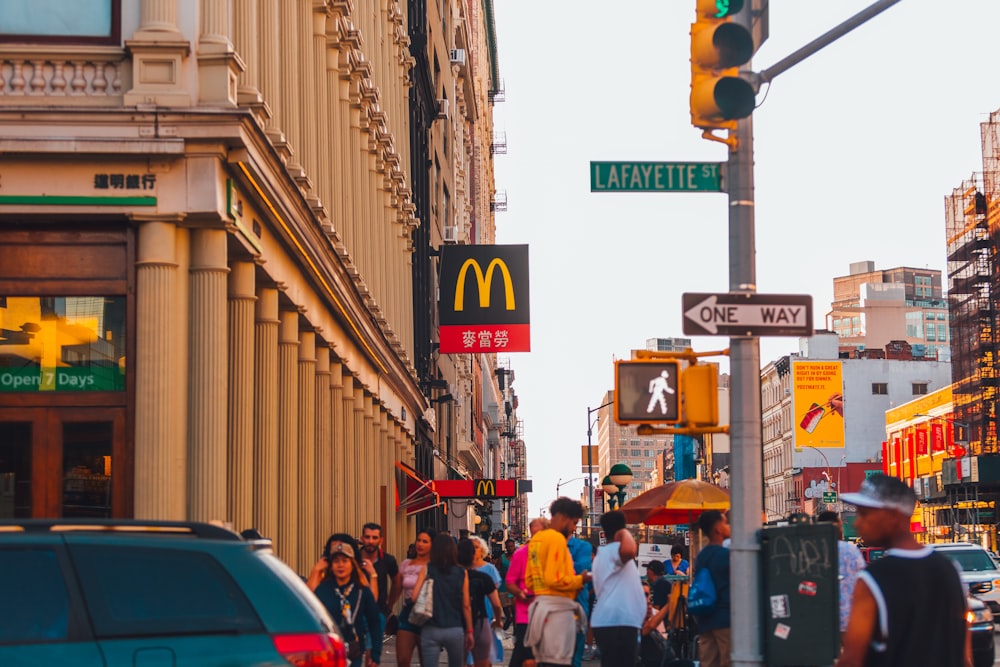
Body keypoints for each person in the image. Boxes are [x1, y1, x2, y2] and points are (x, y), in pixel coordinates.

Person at [835, 475, 970, 667]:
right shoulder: (951, 571)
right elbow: (964, 657)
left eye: (865, 514)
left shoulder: (873, 580)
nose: (857, 523)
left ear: (893, 516)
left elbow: (851, 661)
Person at [524, 497, 592, 667]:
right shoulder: (557, 540)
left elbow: (530, 581)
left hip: (540, 609)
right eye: (574, 522)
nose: (574, 528)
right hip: (558, 614)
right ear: (564, 517)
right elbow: (554, 579)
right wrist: (580, 580)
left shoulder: (536, 540)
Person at [307, 536, 383, 667]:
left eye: (345, 561)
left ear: (352, 563)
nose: (340, 565)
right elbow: (309, 607)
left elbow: (374, 620)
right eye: (336, 561)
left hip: (352, 650)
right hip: (328, 651)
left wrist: (375, 653)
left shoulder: (360, 590)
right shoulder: (323, 589)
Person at [590, 510, 645, 667]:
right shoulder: (614, 550)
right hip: (619, 622)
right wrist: (623, 532)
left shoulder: (603, 554)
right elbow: (629, 550)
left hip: (609, 622)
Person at [411, 533, 473, 667]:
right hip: (455, 628)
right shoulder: (462, 572)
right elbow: (466, 605)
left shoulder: (427, 569)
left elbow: (414, 596)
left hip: (430, 627)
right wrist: (469, 631)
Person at [505, 517, 548, 667]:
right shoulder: (521, 553)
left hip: (548, 615)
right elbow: (510, 582)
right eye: (534, 533)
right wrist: (519, 592)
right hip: (526, 616)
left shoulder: (554, 553)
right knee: (525, 656)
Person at [816, 510, 866, 635]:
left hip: (820, 621)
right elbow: (864, 582)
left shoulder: (812, 550)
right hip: (848, 620)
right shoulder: (851, 551)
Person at [693, 510, 731, 667]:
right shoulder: (725, 555)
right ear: (718, 529)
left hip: (705, 619)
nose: (729, 526)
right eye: (725, 523)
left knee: (708, 662)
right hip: (725, 617)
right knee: (728, 661)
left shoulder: (701, 556)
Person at [458, 538, 503, 667]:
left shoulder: (454, 574)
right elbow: (496, 603)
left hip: (474, 616)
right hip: (478, 620)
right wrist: (499, 619)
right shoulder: (482, 578)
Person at [396, 528, 434, 667]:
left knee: (427, 662)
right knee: (403, 659)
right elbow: (397, 589)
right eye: (419, 540)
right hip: (408, 613)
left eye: (425, 541)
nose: (420, 544)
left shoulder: (435, 566)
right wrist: (388, 607)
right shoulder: (406, 564)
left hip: (429, 615)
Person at [360, 522, 402, 638]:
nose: (371, 541)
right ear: (362, 538)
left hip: (378, 612)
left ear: (381, 540)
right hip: (356, 612)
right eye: (367, 537)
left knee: (374, 650)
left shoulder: (388, 560)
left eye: (375, 538)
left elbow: (397, 581)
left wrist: (390, 604)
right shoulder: (353, 558)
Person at [566, 531, 593, 667]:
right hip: (554, 607)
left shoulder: (583, 546)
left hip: (578, 607)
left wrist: (558, 565)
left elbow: (583, 568)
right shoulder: (548, 545)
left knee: (575, 658)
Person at [499, 538, 517, 628]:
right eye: (508, 546)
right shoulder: (502, 558)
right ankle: (508, 618)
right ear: (505, 547)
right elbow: (497, 570)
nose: (510, 548)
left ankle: (515, 630)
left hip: (515, 587)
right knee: (505, 606)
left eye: (512, 546)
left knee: (514, 610)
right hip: (504, 586)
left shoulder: (518, 556)